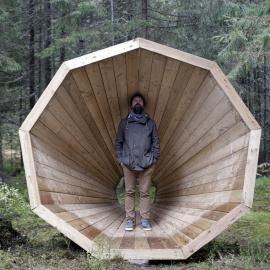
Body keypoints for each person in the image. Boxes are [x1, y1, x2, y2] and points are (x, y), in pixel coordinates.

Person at [115, 93, 160, 231]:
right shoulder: (124, 123)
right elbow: (119, 143)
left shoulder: (150, 123)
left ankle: (145, 220)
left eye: (140, 100)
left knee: (145, 192)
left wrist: (154, 160)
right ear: (131, 105)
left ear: (144, 105)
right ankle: (130, 220)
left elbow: (155, 142)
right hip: (128, 163)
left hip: (146, 164)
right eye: (135, 101)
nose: (138, 102)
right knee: (129, 192)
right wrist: (121, 160)